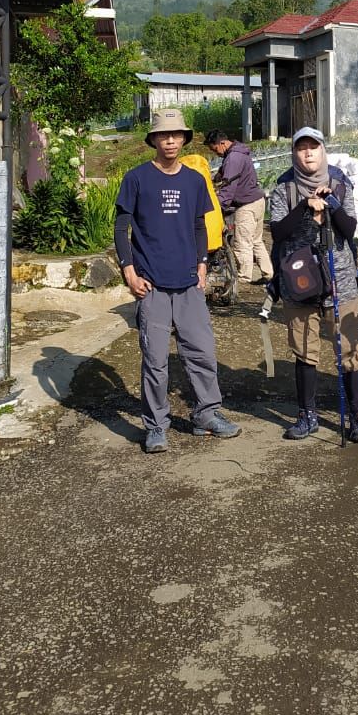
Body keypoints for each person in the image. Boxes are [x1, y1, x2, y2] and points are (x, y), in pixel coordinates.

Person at [115, 107, 241, 454]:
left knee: (201, 351)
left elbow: (201, 225)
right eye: (163, 135)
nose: (170, 140)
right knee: (155, 359)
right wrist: (128, 270)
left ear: (184, 139)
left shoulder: (194, 179)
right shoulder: (137, 178)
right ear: (153, 139)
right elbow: (121, 227)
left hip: (188, 281)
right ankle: (156, 426)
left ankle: (206, 414)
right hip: (152, 284)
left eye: (176, 134)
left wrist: (203, 263)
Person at [268, 126, 358, 443]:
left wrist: (332, 206)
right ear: (294, 153)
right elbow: (279, 232)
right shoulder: (283, 187)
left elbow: (350, 230)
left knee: (351, 350)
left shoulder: (339, 184)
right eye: (301, 148)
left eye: (314, 147)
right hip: (298, 279)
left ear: (323, 150)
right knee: (304, 349)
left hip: (340, 279)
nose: (308, 153)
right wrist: (304, 206)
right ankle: (307, 415)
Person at [204, 129, 273, 284]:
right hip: (258, 201)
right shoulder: (239, 152)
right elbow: (224, 174)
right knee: (256, 240)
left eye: (215, 149)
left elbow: (228, 188)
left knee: (242, 243)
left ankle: (243, 278)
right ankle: (268, 273)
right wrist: (214, 179)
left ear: (221, 143)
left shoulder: (232, 158)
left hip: (246, 205)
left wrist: (216, 208)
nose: (216, 153)